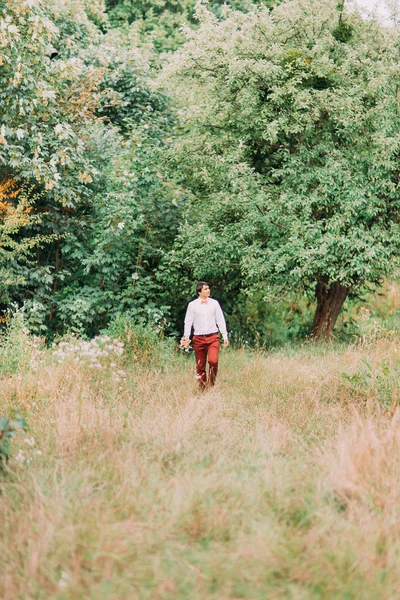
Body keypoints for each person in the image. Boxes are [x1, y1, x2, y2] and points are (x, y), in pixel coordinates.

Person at [182, 281, 229, 390]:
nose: (208, 290)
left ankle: (212, 384)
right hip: (198, 338)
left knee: (213, 361)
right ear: (199, 292)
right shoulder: (192, 305)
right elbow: (188, 322)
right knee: (200, 365)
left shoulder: (214, 303)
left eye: (208, 288)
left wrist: (225, 335)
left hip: (213, 337)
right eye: (205, 289)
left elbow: (220, 320)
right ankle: (202, 389)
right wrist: (186, 337)